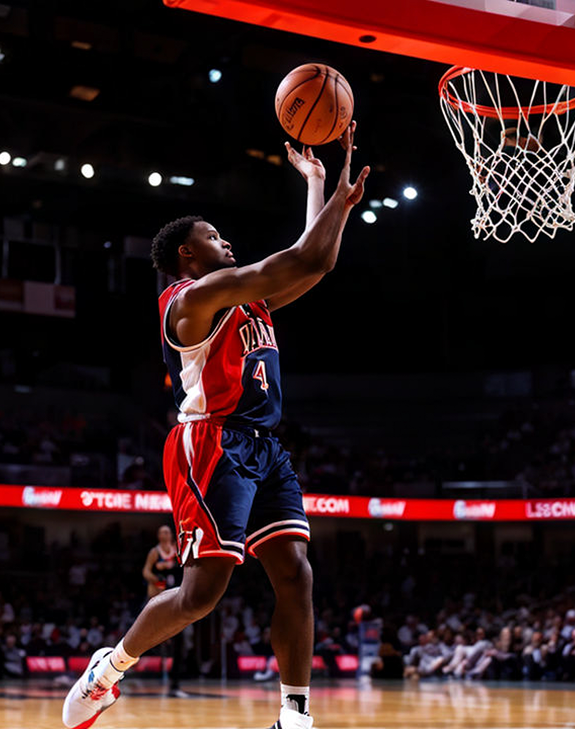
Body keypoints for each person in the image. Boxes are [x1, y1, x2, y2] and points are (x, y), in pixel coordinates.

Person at [62, 122, 369, 729]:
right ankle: (109, 669)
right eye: (214, 236)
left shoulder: (249, 300)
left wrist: (315, 181)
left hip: (265, 447)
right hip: (211, 444)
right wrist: (333, 194)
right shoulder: (190, 301)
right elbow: (305, 254)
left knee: (295, 573)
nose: (224, 241)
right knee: (202, 596)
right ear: (187, 253)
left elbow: (320, 262)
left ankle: (294, 713)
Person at [142, 525, 187, 696]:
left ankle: (175, 684)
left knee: (179, 641)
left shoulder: (177, 550)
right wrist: (154, 578)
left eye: (167, 532)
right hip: (158, 597)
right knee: (142, 632)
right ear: (158, 535)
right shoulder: (155, 552)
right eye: (161, 532)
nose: (164, 534)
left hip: (175, 599)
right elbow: (145, 570)